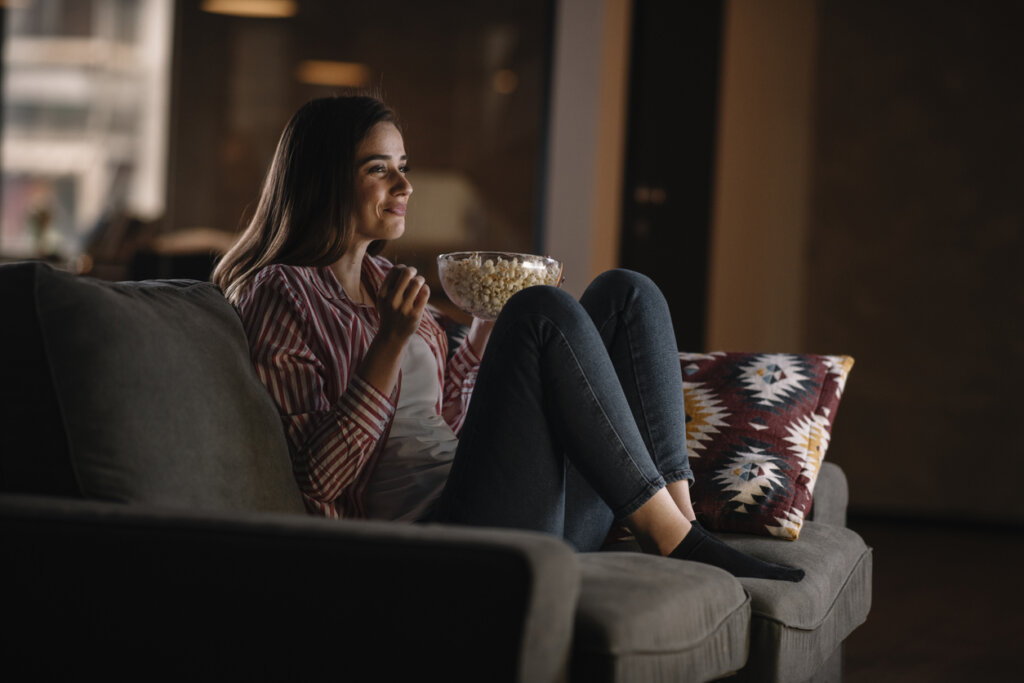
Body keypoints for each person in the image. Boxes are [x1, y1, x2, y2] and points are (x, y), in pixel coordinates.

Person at [212, 94, 803, 582]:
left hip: (517, 507)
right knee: (542, 310)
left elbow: (451, 418)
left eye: (403, 166)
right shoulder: (279, 293)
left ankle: (679, 517)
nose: (404, 184)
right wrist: (387, 344)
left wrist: (486, 322)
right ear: (324, 179)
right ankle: (675, 539)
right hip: (439, 539)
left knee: (628, 293)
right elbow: (317, 477)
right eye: (378, 168)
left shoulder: (389, 281)